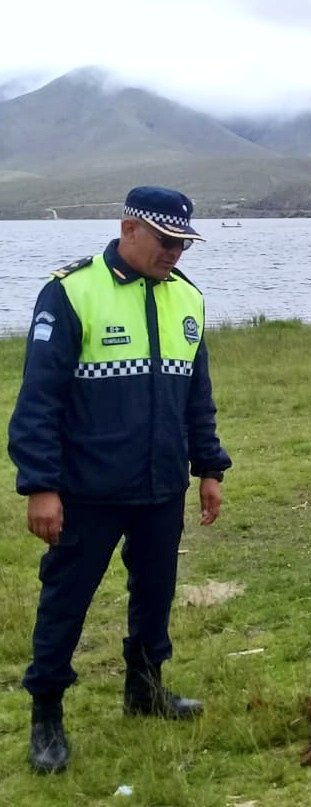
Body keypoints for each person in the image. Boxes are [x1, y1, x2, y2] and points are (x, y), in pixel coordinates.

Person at [8, 186, 232, 773]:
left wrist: (209, 467)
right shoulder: (71, 293)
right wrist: (41, 485)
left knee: (154, 595)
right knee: (66, 603)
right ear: (129, 228)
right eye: (166, 240)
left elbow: (196, 398)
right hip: (86, 492)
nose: (175, 253)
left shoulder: (188, 299)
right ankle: (47, 716)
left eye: (184, 243)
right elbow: (39, 401)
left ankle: (145, 690)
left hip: (161, 489)